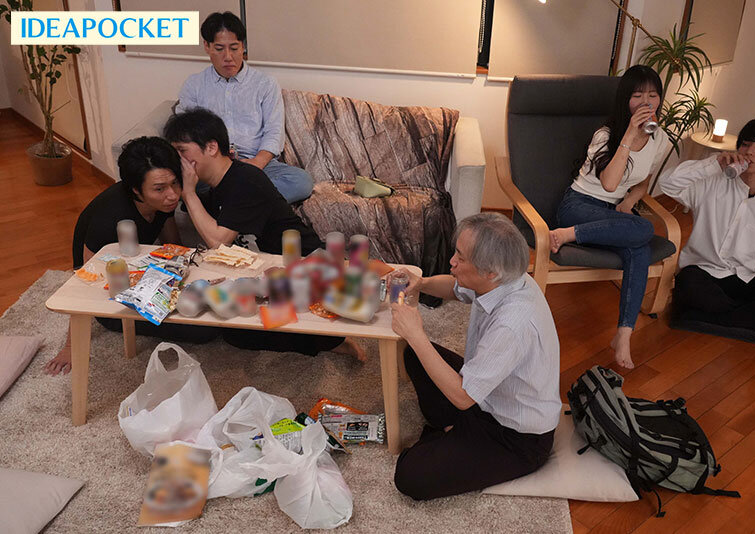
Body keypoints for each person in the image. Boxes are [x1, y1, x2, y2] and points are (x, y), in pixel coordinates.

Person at [163, 108, 364, 360]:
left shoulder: (246, 180)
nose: (178, 160)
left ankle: (332, 340)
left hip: (303, 262)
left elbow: (217, 241)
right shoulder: (215, 185)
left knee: (245, 331)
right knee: (234, 328)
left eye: (182, 151)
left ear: (212, 147)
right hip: (266, 268)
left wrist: (189, 192)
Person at [390, 213, 561, 500]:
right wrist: (421, 283)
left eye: (460, 257)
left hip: (515, 436)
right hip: (487, 397)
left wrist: (416, 334)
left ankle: (458, 435)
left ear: (489, 272)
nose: (452, 262)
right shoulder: (505, 277)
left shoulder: (512, 324)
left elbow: (463, 397)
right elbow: (456, 289)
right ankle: (457, 432)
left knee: (409, 476)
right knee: (415, 357)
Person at [45, 137, 218, 375]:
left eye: (175, 183)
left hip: (142, 274)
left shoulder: (161, 203)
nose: (172, 195)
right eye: (159, 188)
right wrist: (70, 347)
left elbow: (172, 244)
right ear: (136, 190)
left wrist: (186, 273)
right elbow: (83, 283)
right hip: (112, 296)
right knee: (203, 330)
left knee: (208, 307)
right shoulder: (109, 218)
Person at [548, 65, 671, 369]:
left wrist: (631, 200)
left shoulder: (659, 138)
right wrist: (629, 134)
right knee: (643, 230)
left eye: (653, 95)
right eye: (637, 95)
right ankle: (568, 233)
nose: (646, 102)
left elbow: (643, 180)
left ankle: (623, 334)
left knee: (639, 245)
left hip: (612, 214)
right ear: (625, 99)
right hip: (578, 206)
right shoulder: (606, 135)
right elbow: (609, 184)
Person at [661, 117, 755, 339]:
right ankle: (749, 320)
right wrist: (713, 164)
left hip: (747, 276)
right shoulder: (712, 182)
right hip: (702, 272)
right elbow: (667, 183)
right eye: (745, 144)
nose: (749, 152)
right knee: (689, 285)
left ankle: (701, 317)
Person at [176, 11, 313, 204]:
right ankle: (244, 202)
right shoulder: (194, 85)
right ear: (207, 46)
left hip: (256, 163)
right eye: (219, 49)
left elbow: (274, 132)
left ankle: (224, 202)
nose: (228, 57)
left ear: (243, 46)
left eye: (234, 48)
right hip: (212, 166)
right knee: (178, 181)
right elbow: (185, 134)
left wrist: (257, 163)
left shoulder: (265, 84)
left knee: (301, 182)